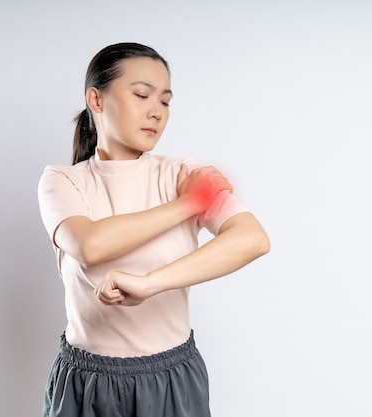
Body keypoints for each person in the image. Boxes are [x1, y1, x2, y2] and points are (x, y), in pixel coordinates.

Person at [37, 42, 270, 417]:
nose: (156, 112)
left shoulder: (180, 174)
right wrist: (187, 205)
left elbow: (252, 239)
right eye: (142, 94)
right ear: (96, 100)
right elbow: (89, 245)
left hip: (170, 380)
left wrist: (151, 283)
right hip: (87, 384)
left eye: (165, 101)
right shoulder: (63, 181)